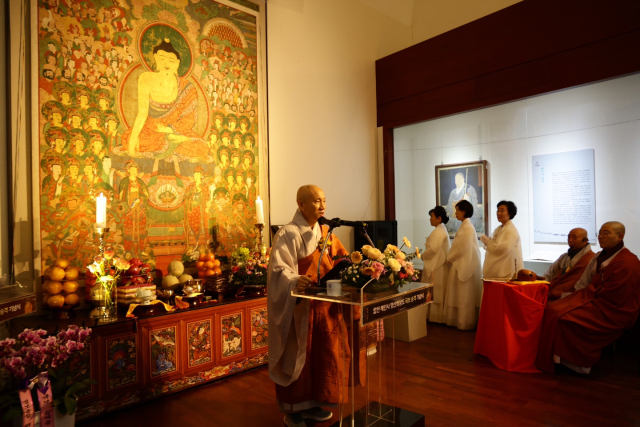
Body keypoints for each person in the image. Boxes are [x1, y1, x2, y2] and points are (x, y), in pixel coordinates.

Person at [267, 185, 363, 427]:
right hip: (299, 307)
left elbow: (342, 258)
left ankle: (315, 403)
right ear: (301, 204)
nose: (323, 206)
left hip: (326, 307)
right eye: (316, 201)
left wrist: (355, 268)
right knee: (299, 356)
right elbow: (278, 271)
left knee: (323, 357)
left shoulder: (326, 232)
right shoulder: (288, 233)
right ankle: (293, 409)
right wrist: (294, 280)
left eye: (324, 200)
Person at [536, 221, 640, 374]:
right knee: (552, 309)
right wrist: (574, 298)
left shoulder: (628, 262)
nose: (601, 237)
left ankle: (578, 365)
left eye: (606, 233)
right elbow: (582, 284)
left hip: (614, 309)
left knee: (565, 318)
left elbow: (619, 295)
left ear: (620, 237)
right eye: (600, 233)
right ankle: (559, 358)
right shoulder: (597, 257)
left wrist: (580, 296)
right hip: (593, 298)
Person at [443, 200, 481, 330]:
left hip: (464, 264)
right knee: (460, 295)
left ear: (464, 211)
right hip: (461, 263)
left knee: (463, 296)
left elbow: (460, 247)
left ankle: (464, 322)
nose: (456, 212)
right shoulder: (465, 225)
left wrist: (449, 257)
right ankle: (459, 321)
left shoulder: (467, 227)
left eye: (458, 210)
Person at [542, 228, 594, 301]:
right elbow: (549, 274)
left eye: (574, 238)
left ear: (585, 240)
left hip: (575, 296)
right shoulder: (564, 257)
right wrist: (539, 282)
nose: (570, 240)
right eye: (569, 237)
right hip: (555, 293)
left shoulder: (591, 258)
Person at [421, 206, 450, 323]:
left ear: (439, 218)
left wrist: (423, 255)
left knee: (436, 291)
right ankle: (433, 316)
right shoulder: (439, 229)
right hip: (438, 264)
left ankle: (436, 317)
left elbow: (433, 249)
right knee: (435, 291)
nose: (430, 219)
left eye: (432, 217)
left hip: (437, 265)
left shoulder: (439, 231)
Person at [480, 200, 523, 280]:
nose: (498, 213)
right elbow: (493, 244)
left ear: (510, 213)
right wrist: (488, 244)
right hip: (498, 274)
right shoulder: (499, 229)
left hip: (507, 274)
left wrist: (489, 244)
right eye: (498, 210)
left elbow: (504, 249)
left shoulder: (511, 230)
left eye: (502, 211)